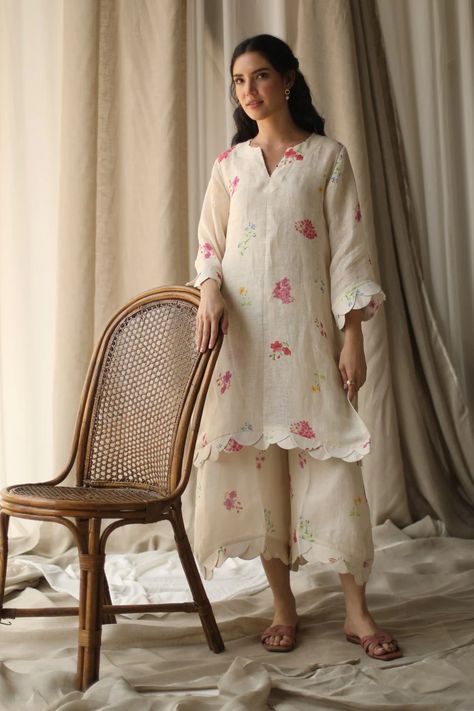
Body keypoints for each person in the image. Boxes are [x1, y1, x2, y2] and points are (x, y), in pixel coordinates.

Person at [187, 33, 402, 660]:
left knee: (331, 466)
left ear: (286, 79)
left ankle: (357, 612)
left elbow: (349, 254)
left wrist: (353, 336)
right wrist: (209, 291)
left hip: (308, 340)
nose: (248, 91)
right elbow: (208, 245)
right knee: (260, 471)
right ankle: (284, 606)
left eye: (259, 76)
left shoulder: (328, 158)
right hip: (244, 347)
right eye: (238, 81)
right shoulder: (230, 165)